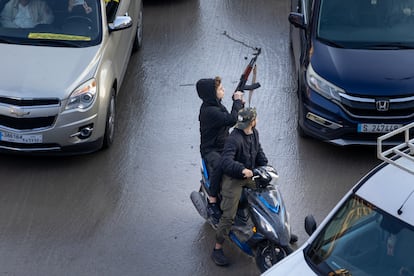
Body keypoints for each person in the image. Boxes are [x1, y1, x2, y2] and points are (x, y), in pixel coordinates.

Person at [211, 107, 268, 266]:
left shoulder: (254, 133)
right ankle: (217, 248)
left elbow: (259, 154)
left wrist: (266, 167)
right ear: (252, 121)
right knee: (228, 216)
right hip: (234, 178)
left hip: (250, 173)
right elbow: (226, 161)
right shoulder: (234, 138)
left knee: (268, 194)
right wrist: (241, 170)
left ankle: (269, 230)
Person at [196, 77, 244, 224]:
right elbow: (231, 120)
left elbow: (228, 121)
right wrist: (236, 102)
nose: (223, 89)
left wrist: (239, 104)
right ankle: (212, 201)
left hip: (224, 144)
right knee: (221, 165)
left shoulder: (217, 105)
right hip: (211, 149)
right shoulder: (209, 111)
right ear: (211, 93)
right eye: (219, 88)